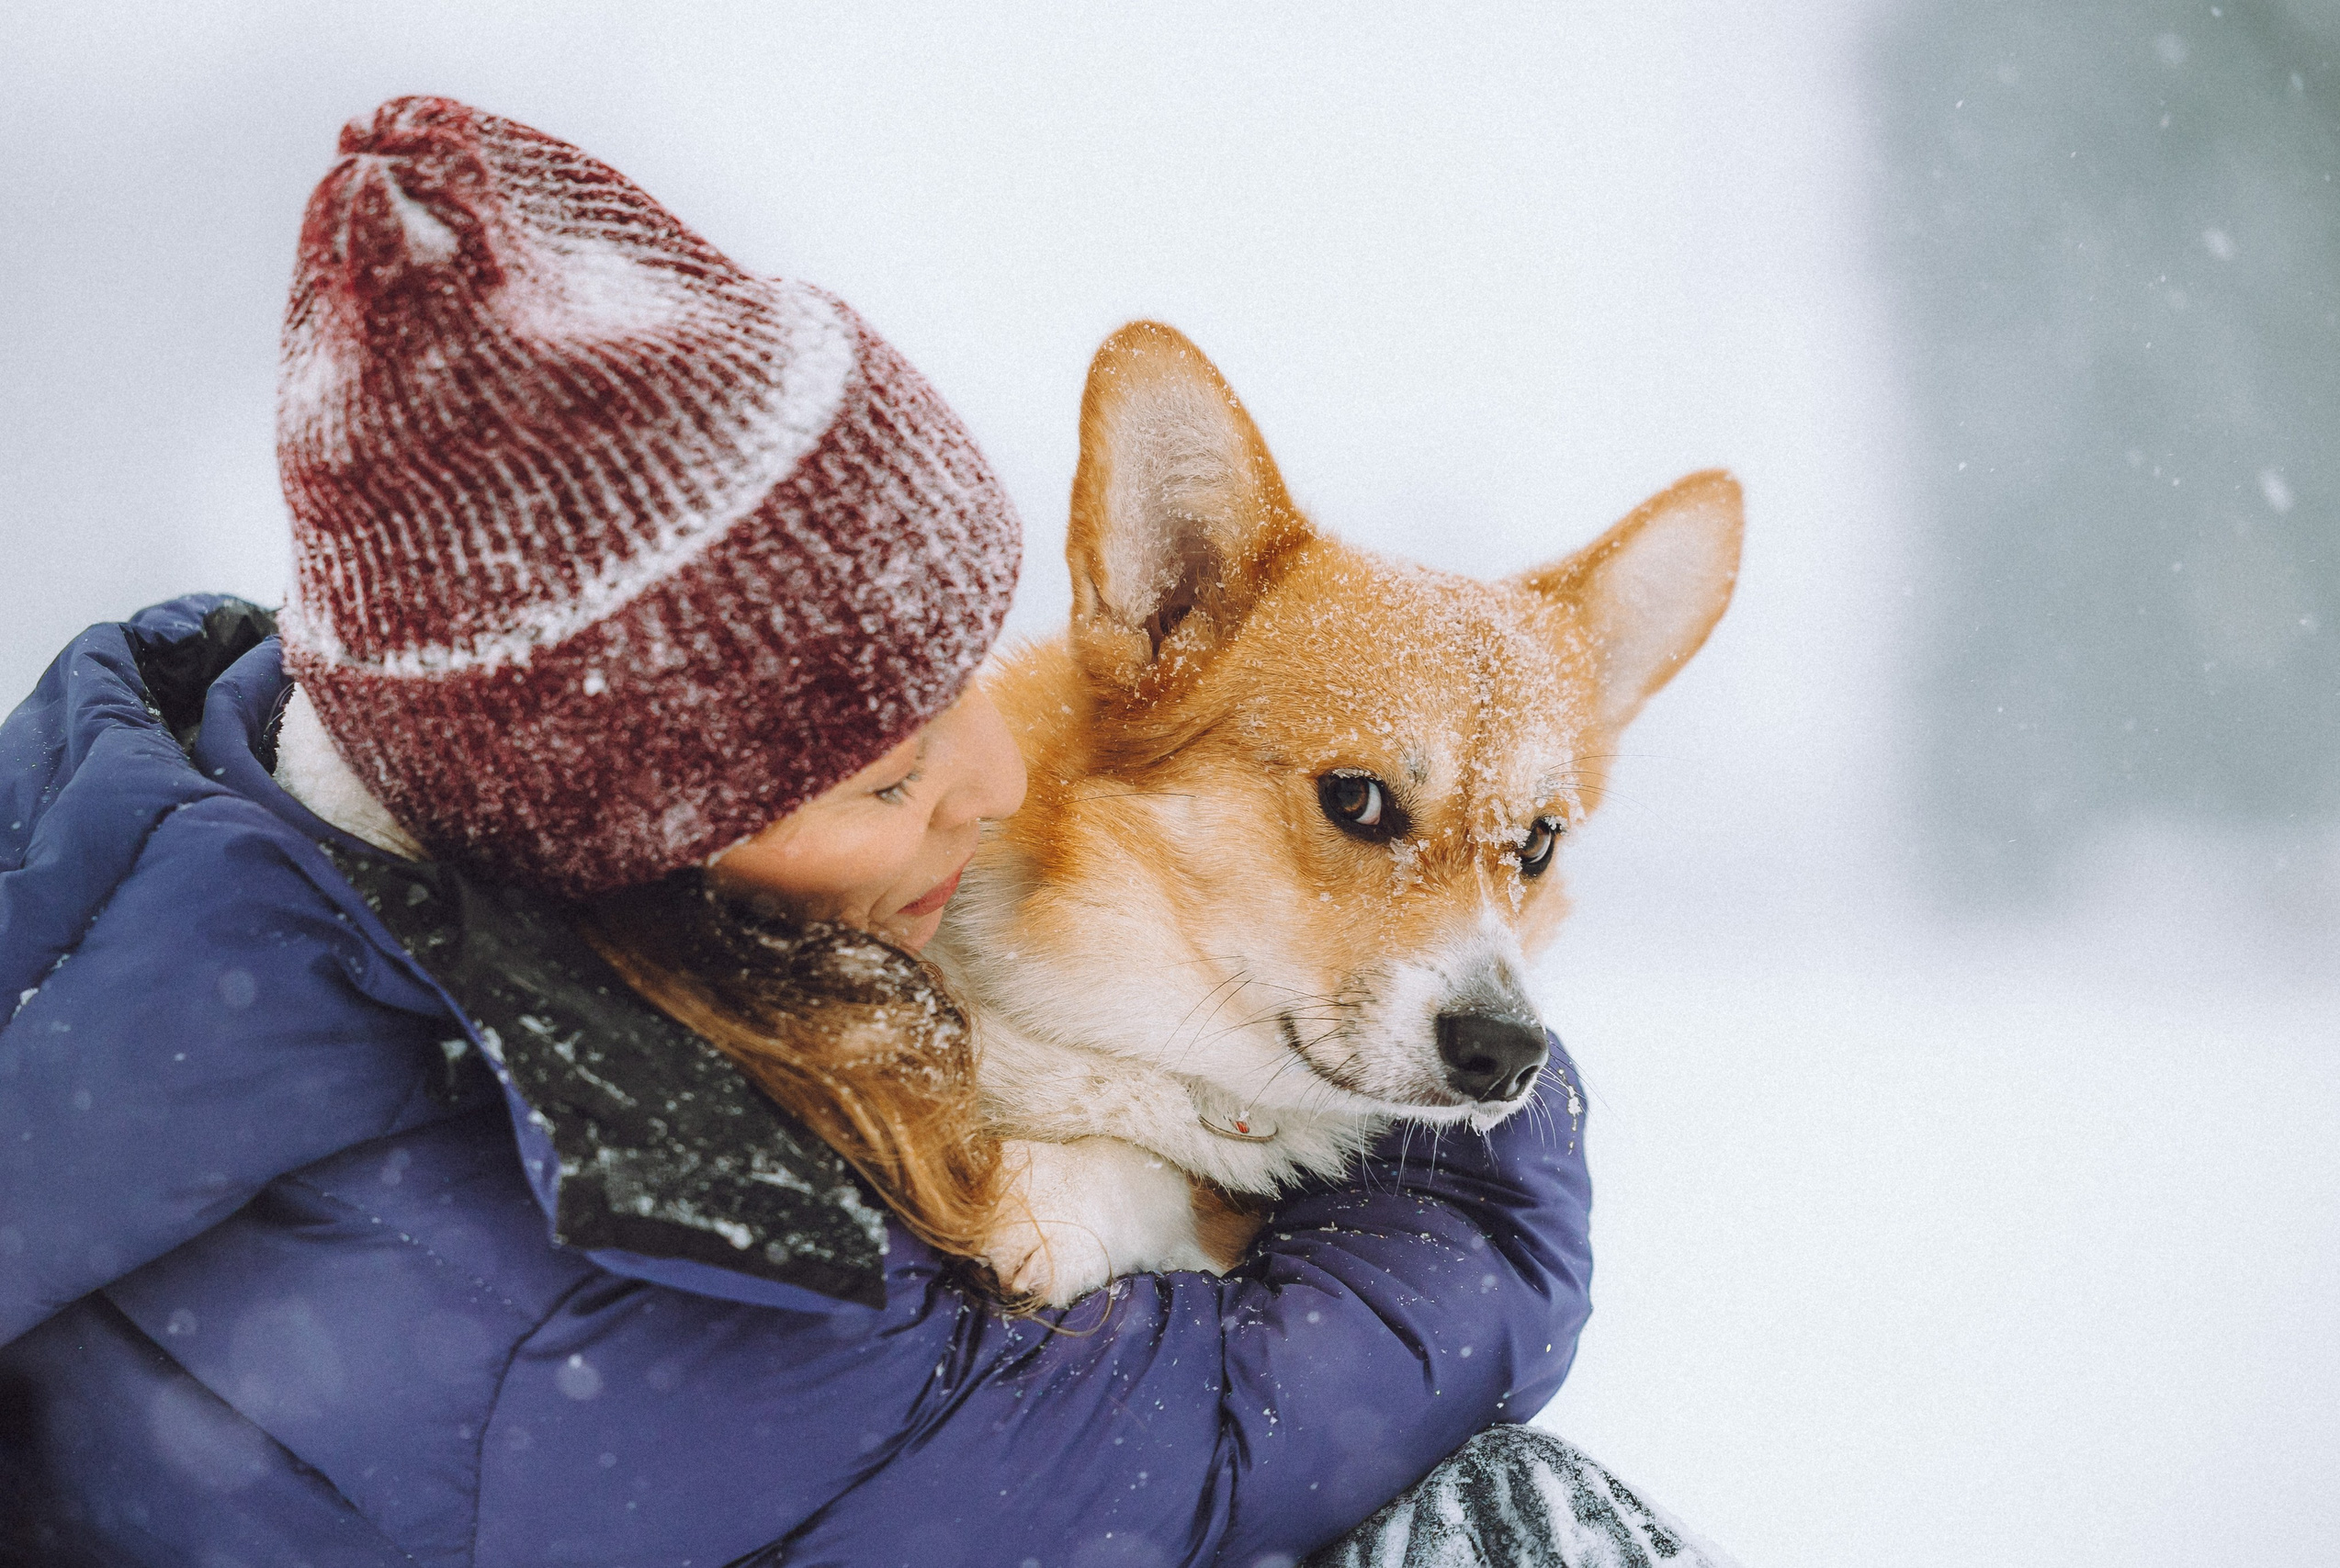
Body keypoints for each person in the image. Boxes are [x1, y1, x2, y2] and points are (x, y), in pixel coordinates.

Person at [0, 96, 1732, 1566]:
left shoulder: (247, 852)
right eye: (884, 779)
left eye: (961, 678)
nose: (998, 783)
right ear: (642, 852)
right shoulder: (555, 1269)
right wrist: (1482, 1207)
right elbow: (1160, 1458)